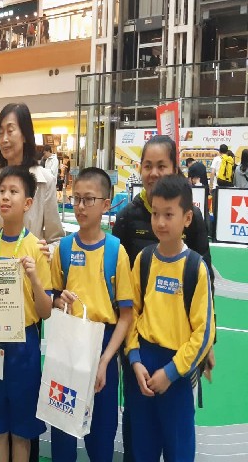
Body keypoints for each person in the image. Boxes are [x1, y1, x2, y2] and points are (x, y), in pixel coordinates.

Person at [112, 135, 215, 461]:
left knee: (178, 447)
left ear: (186, 218)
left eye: (169, 215)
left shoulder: (194, 265)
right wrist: (134, 357)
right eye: (148, 165)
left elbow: (203, 324)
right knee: (139, 446)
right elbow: (129, 309)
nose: (160, 222)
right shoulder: (139, 249)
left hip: (177, 367)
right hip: (140, 363)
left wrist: (175, 369)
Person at [49, 168, 134, 461]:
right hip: (68, 345)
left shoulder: (116, 252)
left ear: (106, 204)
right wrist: (58, 301)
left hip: (103, 346)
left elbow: (126, 316)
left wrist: (105, 360)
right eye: (76, 199)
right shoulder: (64, 248)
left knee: (101, 434)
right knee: (62, 430)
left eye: (89, 199)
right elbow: (52, 298)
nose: (81, 206)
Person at [0, 166, 53, 462]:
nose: (5, 197)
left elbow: (45, 311)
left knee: (21, 428)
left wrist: (34, 278)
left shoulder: (36, 248)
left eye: (13, 192)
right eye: (1, 191)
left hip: (24, 347)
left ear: (28, 203)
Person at [0, 103, 64, 259]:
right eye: (0, 133)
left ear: (25, 135)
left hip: (31, 270)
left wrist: (44, 254)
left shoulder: (44, 180)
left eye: (10, 131)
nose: (4, 139)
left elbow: (55, 239)